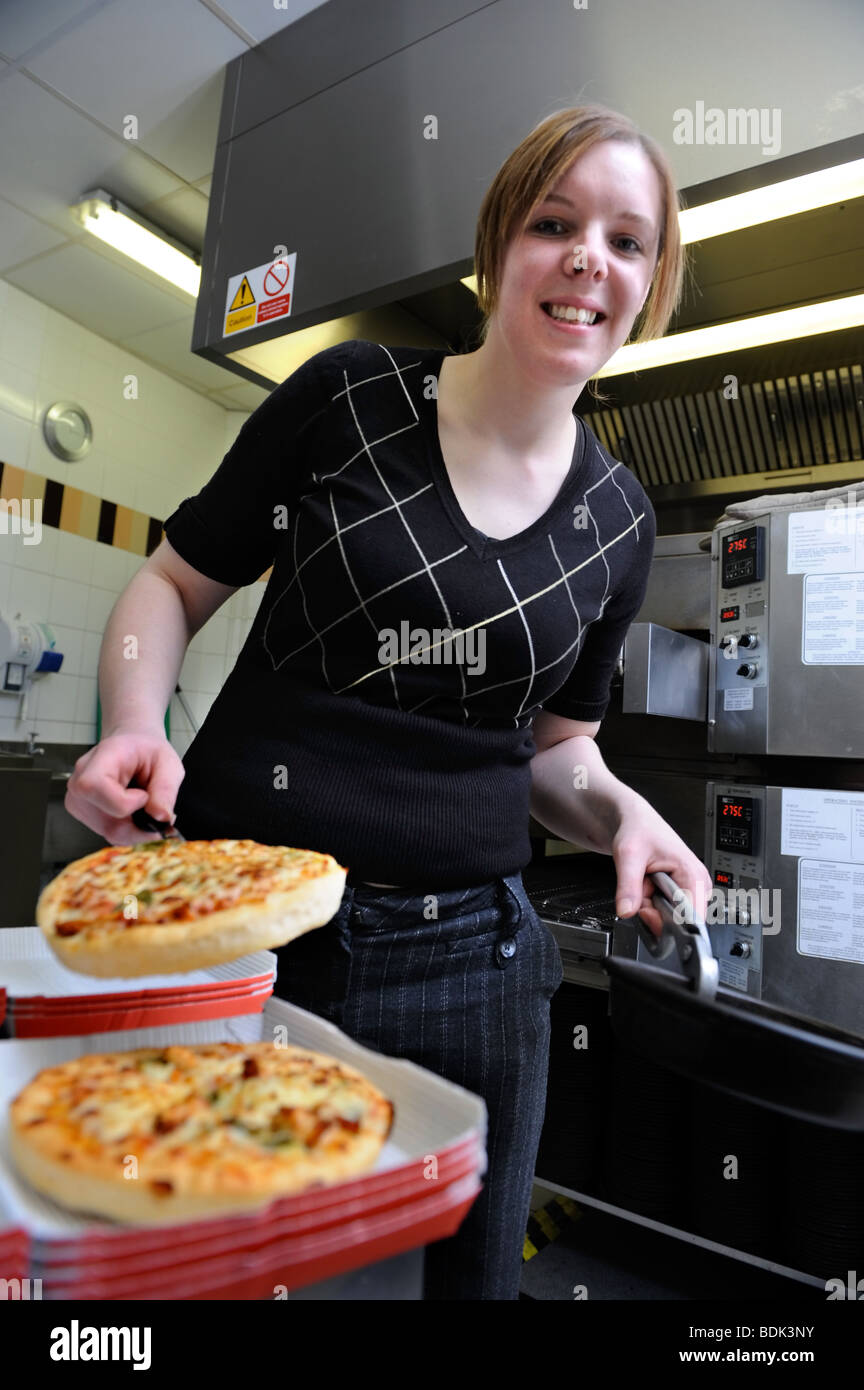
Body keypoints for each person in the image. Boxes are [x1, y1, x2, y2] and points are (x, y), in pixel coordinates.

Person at [65, 104, 713, 1301]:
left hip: (481, 958)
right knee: (204, 1259)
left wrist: (620, 815)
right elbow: (172, 580)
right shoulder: (349, 400)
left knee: (471, 1284)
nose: (588, 259)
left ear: (651, 285)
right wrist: (134, 723)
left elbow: (559, 751)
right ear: (497, 246)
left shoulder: (620, 520)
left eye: (629, 243)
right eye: (554, 223)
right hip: (247, 929)